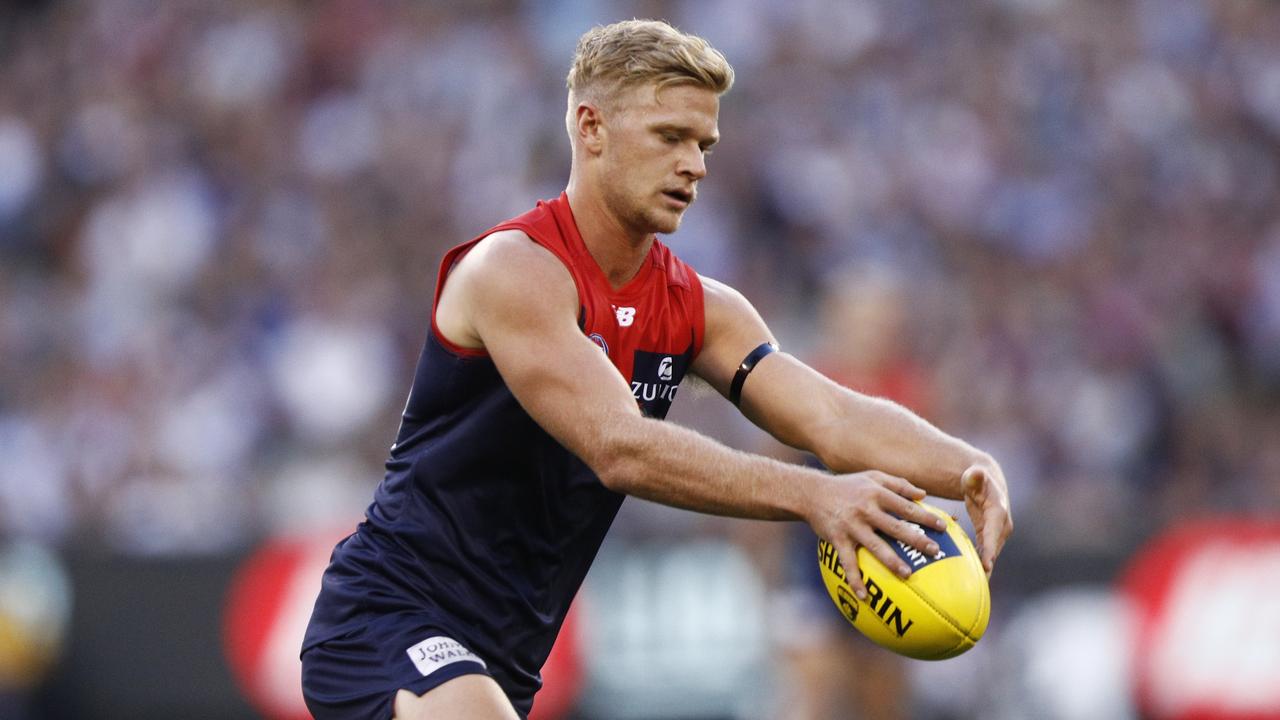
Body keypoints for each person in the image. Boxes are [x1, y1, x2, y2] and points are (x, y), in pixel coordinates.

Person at [300, 19, 1012, 720]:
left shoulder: (702, 308)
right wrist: (814, 497)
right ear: (591, 127)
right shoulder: (514, 272)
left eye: (704, 144)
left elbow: (830, 417)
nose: (695, 165)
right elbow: (619, 446)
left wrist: (965, 466)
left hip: (508, 656)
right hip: (388, 616)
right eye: (670, 137)